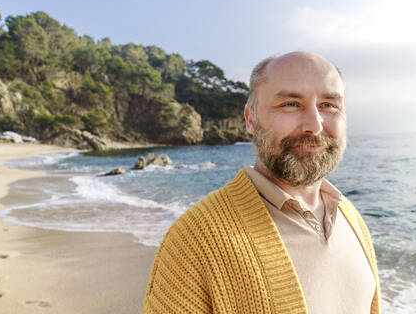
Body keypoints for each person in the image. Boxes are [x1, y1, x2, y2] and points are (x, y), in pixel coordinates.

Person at [142, 51, 381, 314]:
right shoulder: (194, 241)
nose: (315, 125)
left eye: (329, 105)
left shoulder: (352, 219)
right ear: (250, 120)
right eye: (291, 104)